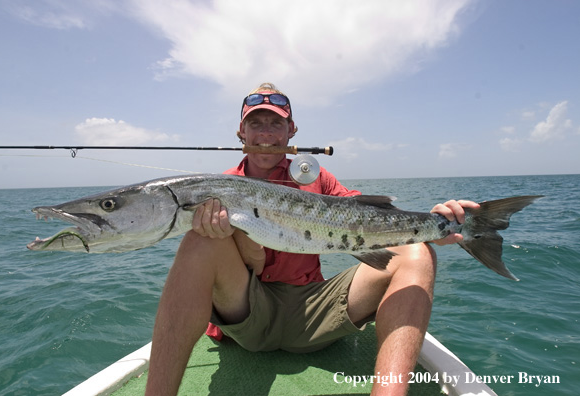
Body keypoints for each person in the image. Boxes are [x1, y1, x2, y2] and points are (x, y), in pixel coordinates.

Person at [145, 83, 478, 396]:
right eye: (256, 124)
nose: (265, 134)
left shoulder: (317, 178)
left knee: (417, 253)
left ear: (291, 132)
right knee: (199, 240)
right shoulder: (218, 189)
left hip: (314, 314)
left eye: (275, 125)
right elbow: (252, 264)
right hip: (247, 318)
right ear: (241, 133)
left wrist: (436, 226)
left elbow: (365, 218)